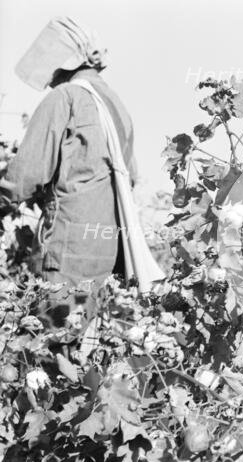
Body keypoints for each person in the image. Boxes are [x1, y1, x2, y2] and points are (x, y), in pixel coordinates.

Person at [1, 17, 141, 288]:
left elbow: (25, 177)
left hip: (67, 252)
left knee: (54, 328)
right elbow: (131, 177)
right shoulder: (115, 104)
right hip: (111, 254)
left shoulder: (64, 97)